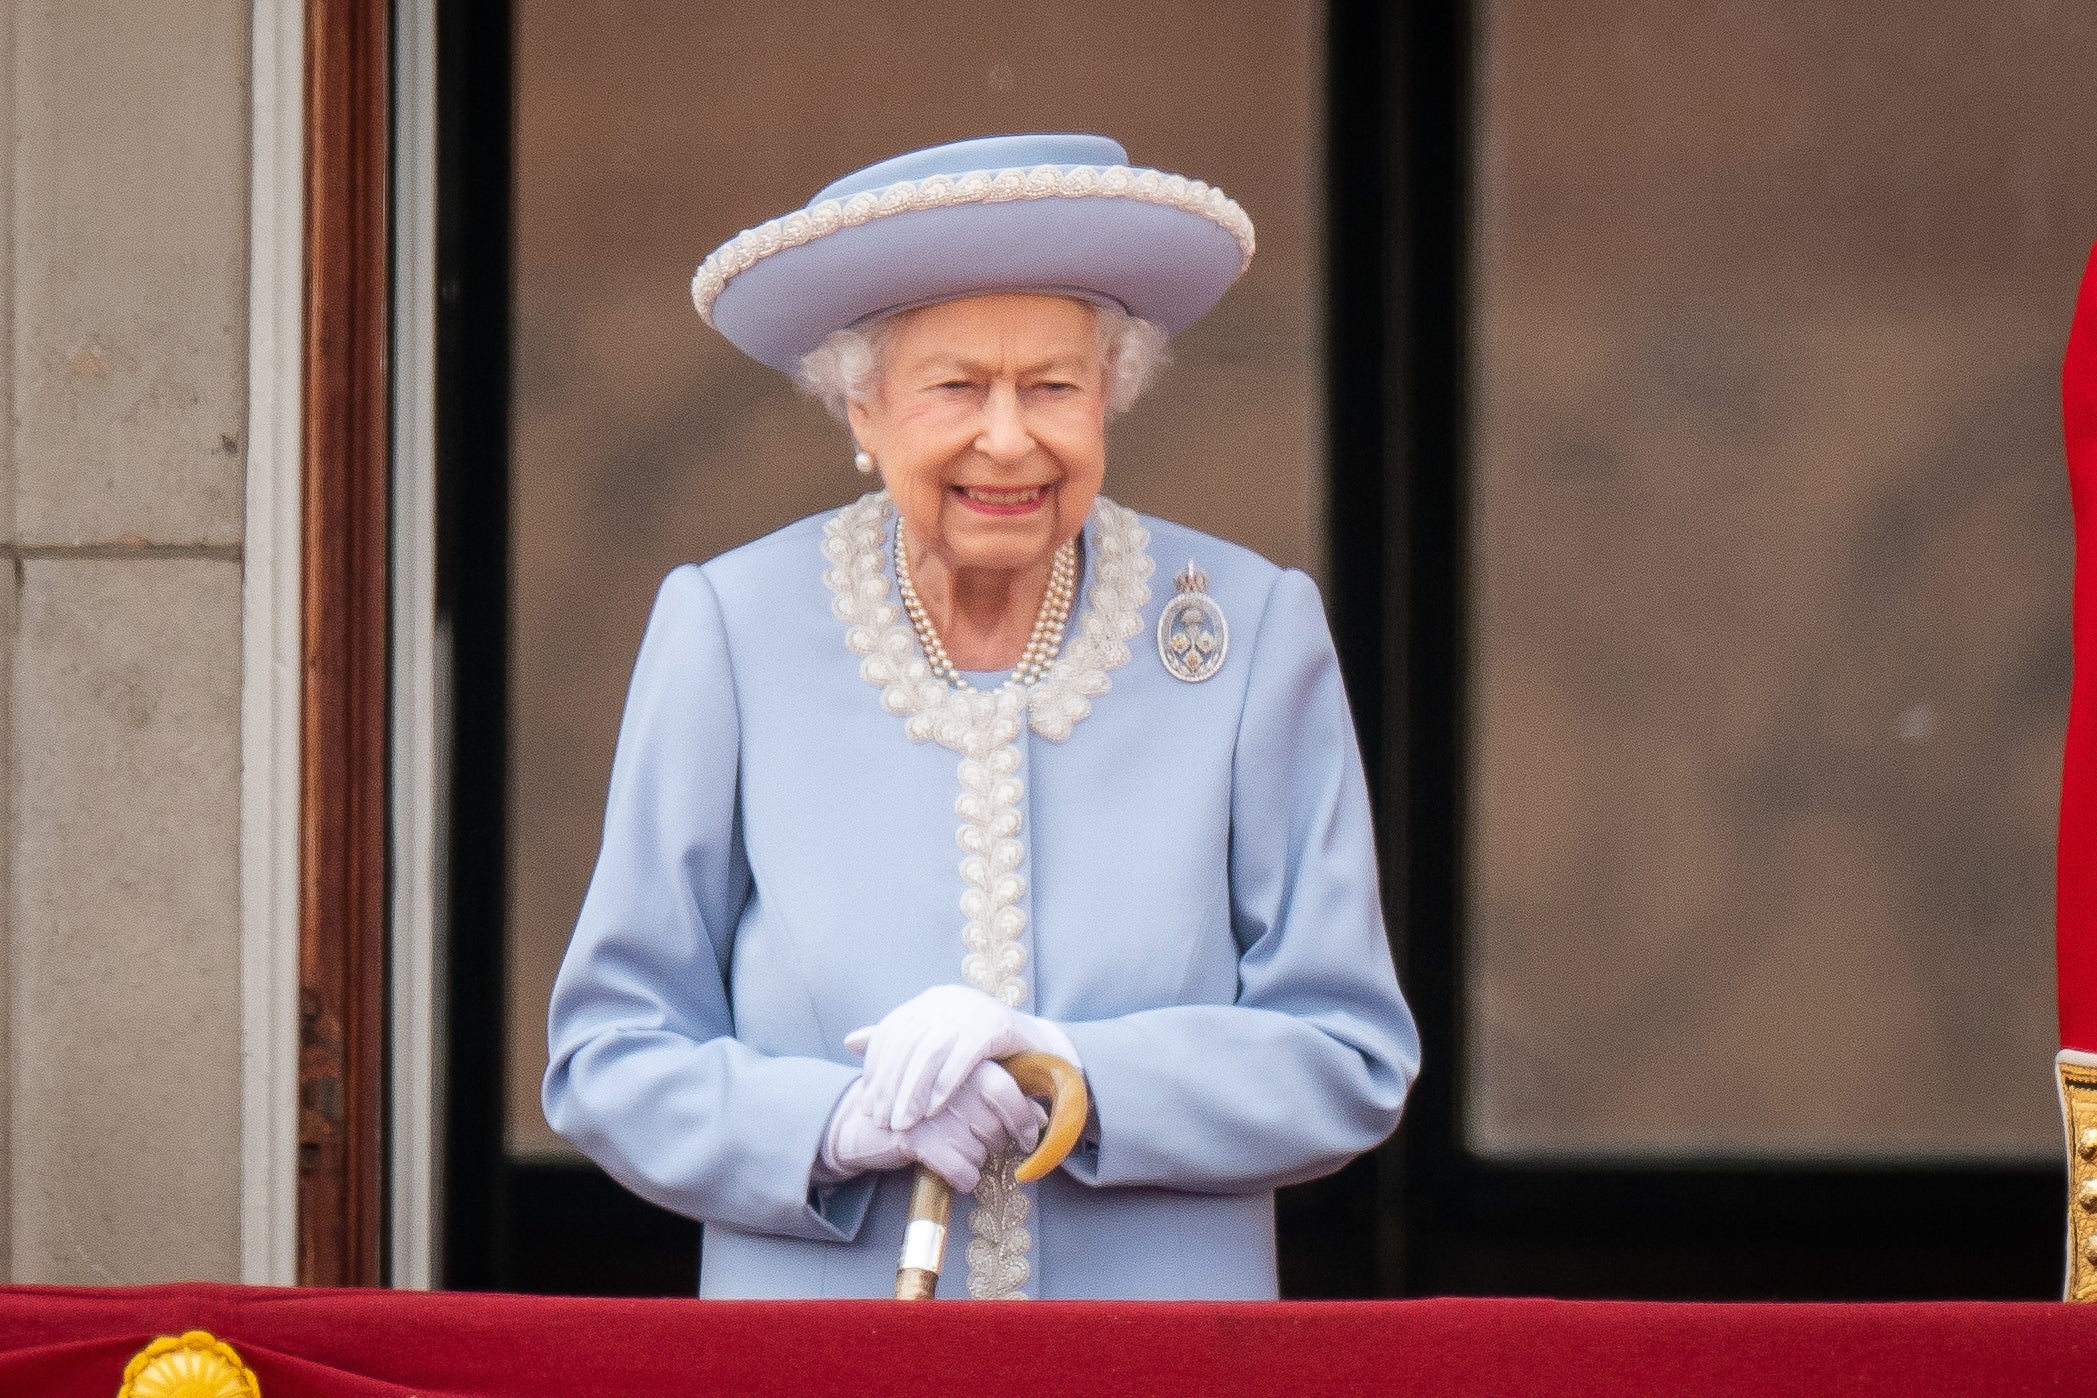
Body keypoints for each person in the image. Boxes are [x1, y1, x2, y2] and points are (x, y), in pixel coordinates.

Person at [542, 133, 1419, 1300]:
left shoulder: (1250, 630)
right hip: (823, 1361)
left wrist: (1078, 1073)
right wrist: (838, 1124)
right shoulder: (731, 628)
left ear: (1109, 397)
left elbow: (1348, 1054)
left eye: (1053, 386)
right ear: (862, 405)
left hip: (1149, 1363)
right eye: (956, 387)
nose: (1008, 438)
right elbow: (606, 1055)